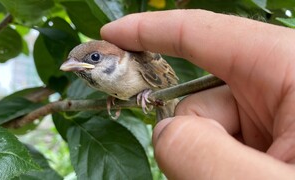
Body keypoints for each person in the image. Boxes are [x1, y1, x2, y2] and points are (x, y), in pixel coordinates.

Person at [100, 9, 295, 179]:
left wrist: (150, 94)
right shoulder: (97, 76)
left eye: (94, 58)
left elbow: (166, 79)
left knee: (170, 118)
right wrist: (114, 98)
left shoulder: (137, 63)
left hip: (160, 94)